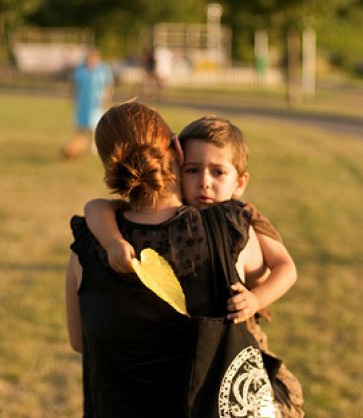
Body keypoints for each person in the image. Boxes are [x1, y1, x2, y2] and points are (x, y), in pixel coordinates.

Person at [83, 115, 304, 417]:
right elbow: (97, 206)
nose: (204, 182)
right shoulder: (187, 221)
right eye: (193, 170)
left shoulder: (243, 218)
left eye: (218, 172)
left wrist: (257, 299)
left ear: (240, 183)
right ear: (175, 161)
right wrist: (112, 242)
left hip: (243, 324)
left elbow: (286, 268)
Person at [62, 48, 114, 159]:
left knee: (96, 123)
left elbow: (108, 85)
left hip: (96, 101)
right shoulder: (81, 69)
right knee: (81, 123)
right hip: (83, 100)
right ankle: (78, 143)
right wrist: (72, 97)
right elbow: (75, 84)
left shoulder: (103, 69)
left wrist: (107, 98)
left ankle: (95, 146)